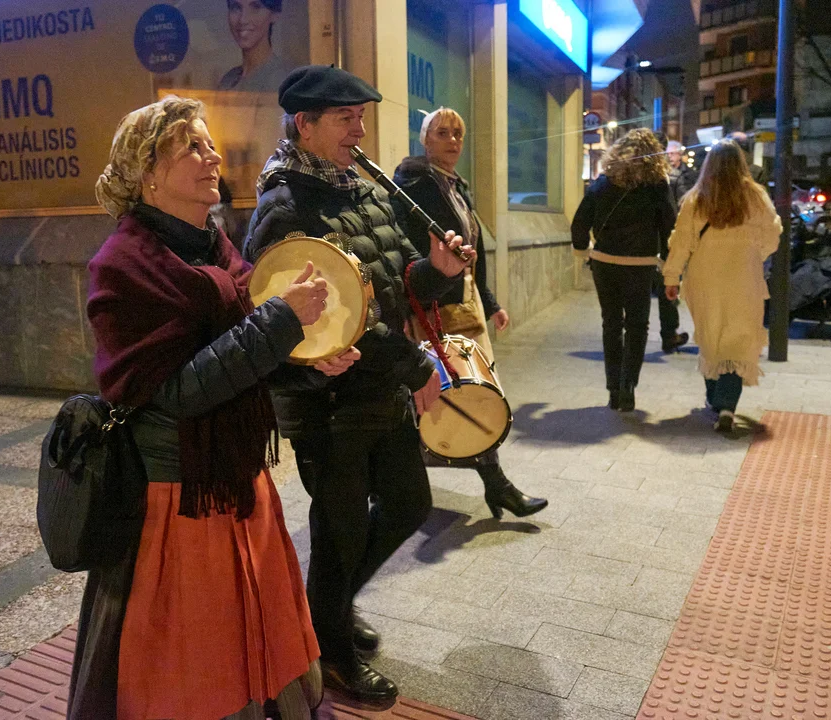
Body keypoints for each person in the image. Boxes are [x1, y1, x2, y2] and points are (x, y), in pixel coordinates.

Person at [72, 96, 357, 720]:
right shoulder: (122, 266)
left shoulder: (216, 248)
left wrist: (308, 357)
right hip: (179, 501)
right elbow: (178, 391)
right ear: (148, 172)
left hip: (236, 479)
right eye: (192, 148)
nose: (213, 158)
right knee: (197, 667)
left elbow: (245, 350)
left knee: (263, 648)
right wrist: (281, 322)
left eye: (210, 144)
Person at [244, 66, 474, 703]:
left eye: (362, 117)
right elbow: (330, 321)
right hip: (326, 399)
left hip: (377, 388)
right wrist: (416, 367)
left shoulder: (363, 189)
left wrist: (438, 268)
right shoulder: (285, 207)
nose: (360, 130)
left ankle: (330, 610)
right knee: (340, 529)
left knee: (407, 504)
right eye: (346, 118)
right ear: (305, 125)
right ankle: (334, 652)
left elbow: (397, 282)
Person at [391, 107, 548, 520]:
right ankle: (493, 484)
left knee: (470, 392)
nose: (453, 141)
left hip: (463, 297)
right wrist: (415, 304)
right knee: (462, 394)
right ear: (425, 139)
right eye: (442, 133)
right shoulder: (415, 184)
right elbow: (409, 253)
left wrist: (491, 303)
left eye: (458, 133)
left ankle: (489, 483)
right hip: (436, 304)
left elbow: (471, 255)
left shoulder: (453, 184)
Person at [663, 139, 782, 433]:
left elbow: (681, 242)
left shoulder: (697, 198)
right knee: (737, 339)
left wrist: (671, 277)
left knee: (711, 336)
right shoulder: (755, 196)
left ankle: (715, 398)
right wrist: (754, 254)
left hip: (705, 279)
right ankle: (727, 404)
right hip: (744, 278)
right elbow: (772, 234)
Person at [571, 129, 676, 412]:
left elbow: (580, 222)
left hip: (604, 262)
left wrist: (583, 250)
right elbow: (670, 227)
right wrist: (669, 264)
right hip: (640, 265)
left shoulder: (603, 183)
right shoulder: (657, 186)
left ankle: (613, 389)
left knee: (611, 323)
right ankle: (629, 384)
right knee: (638, 325)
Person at [657, 140, 694, 354]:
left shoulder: (635, 175)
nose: (670, 157)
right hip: (666, 237)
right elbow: (682, 205)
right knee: (667, 286)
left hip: (647, 240)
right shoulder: (673, 176)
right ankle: (669, 334)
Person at [217, 0, 292, 92]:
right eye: (236, 8)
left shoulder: (284, 80)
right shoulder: (228, 80)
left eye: (256, 7)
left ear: (274, 14)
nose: (243, 20)